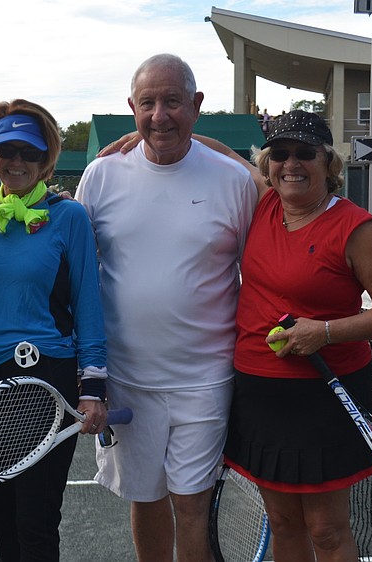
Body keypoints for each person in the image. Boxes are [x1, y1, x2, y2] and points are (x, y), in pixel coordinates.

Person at [76, 53, 258, 562]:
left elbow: (257, 273)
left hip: (206, 379)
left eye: (173, 102)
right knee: (145, 497)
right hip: (127, 379)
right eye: (148, 103)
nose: (160, 116)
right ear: (132, 108)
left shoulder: (234, 181)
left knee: (192, 503)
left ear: (196, 105)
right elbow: (82, 278)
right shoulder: (100, 176)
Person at [223, 110, 372, 561]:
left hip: (327, 392)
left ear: (328, 163)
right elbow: (217, 151)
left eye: (305, 154)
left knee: (326, 530)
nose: (291, 164)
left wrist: (325, 332)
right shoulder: (267, 201)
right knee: (284, 524)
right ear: (268, 164)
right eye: (280, 154)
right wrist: (134, 136)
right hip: (259, 390)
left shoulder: (356, 227)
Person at [0, 98, 109, 561]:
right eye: (8, 151)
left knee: (37, 520)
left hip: (47, 379)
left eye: (30, 153)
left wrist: (93, 388)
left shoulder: (69, 217)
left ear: (46, 159)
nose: (18, 162)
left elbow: (89, 305)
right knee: (2, 520)